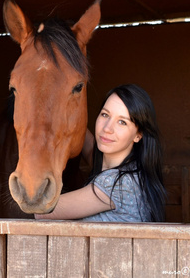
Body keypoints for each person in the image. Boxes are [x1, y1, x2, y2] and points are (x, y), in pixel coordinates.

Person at [35, 84, 166, 222]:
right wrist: (67, 112)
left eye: (122, 122)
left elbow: (42, 210)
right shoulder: (132, 170)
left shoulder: (118, 185)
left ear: (138, 135)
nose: (107, 128)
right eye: (105, 114)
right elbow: (90, 148)